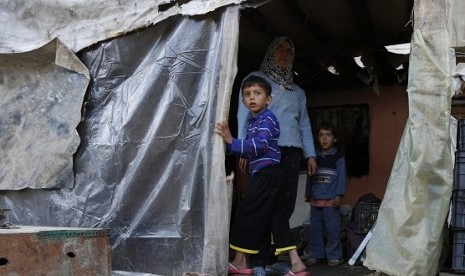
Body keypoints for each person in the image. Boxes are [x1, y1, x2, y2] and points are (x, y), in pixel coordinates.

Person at [237, 36, 317, 274]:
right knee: (262, 204)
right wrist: (243, 147)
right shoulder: (257, 82)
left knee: (285, 205)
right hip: (264, 151)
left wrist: (310, 154)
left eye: (289, 52)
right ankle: (259, 260)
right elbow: (244, 114)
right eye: (279, 51)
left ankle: (272, 258)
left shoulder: (298, 92)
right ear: (271, 53)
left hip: (291, 153)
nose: (284, 56)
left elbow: (304, 125)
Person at [216, 75, 309, 276]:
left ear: (268, 99)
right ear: (242, 101)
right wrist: (232, 146)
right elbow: (248, 149)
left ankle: (240, 261)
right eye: (247, 94)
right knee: (276, 217)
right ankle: (296, 262)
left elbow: (259, 145)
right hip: (267, 174)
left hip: (268, 174)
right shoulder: (253, 121)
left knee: (246, 212)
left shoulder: (268, 119)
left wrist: (231, 140)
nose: (252, 98)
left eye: (257, 93)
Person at [305, 121, 347, 267]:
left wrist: (339, 195)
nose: (324, 138)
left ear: (334, 139)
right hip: (315, 201)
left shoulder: (338, 157)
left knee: (332, 230)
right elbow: (310, 176)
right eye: (321, 135)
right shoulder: (313, 157)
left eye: (328, 135)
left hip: (331, 202)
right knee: (315, 230)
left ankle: (334, 256)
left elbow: (341, 178)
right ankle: (315, 254)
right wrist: (308, 192)